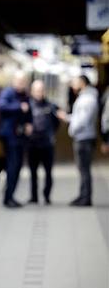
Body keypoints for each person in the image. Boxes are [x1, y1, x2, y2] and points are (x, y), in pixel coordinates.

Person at [57, 75, 99, 206]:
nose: (72, 85)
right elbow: (78, 117)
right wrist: (68, 118)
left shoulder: (87, 99)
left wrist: (72, 130)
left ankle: (85, 198)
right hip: (83, 137)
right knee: (82, 169)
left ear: (82, 83)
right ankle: (82, 196)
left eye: (74, 83)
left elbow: (83, 120)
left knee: (84, 169)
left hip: (84, 138)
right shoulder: (85, 97)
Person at [0, 71, 33, 208]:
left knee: (17, 167)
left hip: (20, 136)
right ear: (14, 81)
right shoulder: (8, 93)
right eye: (19, 81)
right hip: (10, 136)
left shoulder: (25, 95)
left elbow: (28, 112)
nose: (21, 84)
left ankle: (11, 196)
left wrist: (29, 123)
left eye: (23, 82)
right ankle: (8, 197)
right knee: (12, 166)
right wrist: (19, 107)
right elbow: (1, 106)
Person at [26, 80, 60, 205]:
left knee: (48, 172)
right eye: (37, 90)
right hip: (33, 144)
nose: (39, 93)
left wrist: (50, 134)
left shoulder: (51, 106)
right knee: (33, 172)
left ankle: (47, 196)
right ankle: (34, 197)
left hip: (47, 144)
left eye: (41, 90)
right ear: (32, 91)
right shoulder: (28, 106)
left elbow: (57, 123)